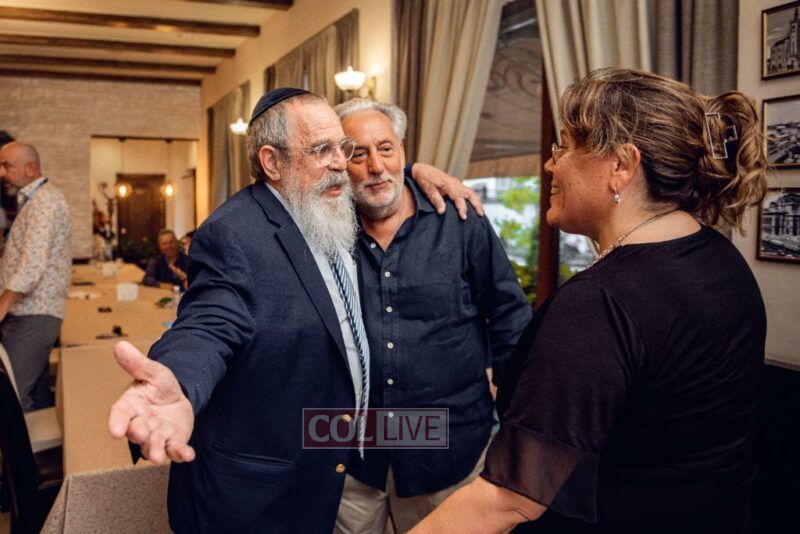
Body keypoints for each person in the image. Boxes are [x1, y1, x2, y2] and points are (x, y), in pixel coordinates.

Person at [411, 68, 768, 534]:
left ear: (621, 165)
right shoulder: (722, 259)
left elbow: (507, 501)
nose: (550, 165)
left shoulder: (600, 304)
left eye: (564, 148)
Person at [107, 88, 478, 533]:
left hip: (334, 461)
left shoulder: (329, 203)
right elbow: (209, 322)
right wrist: (180, 380)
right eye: (322, 150)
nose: (341, 163)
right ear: (272, 162)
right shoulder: (234, 234)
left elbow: (381, 173)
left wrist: (418, 170)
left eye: (342, 147)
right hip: (259, 496)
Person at [332, 99, 532, 533]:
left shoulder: (461, 219)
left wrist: (517, 424)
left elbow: (510, 318)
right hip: (351, 456)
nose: (376, 166)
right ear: (338, 163)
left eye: (386, 149)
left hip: (449, 451)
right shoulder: (323, 227)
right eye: (357, 154)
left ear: (403, 150)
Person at [0, 141, 71, 412]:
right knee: (37, 400)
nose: (1, 173)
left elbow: (31, 267)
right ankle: (36, 442)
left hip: (33, 314)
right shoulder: (35, 200)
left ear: (30, 168)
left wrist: (2, 306)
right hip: (27, 312)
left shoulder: (45, 202)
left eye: (7, 166)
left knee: (10, 397)